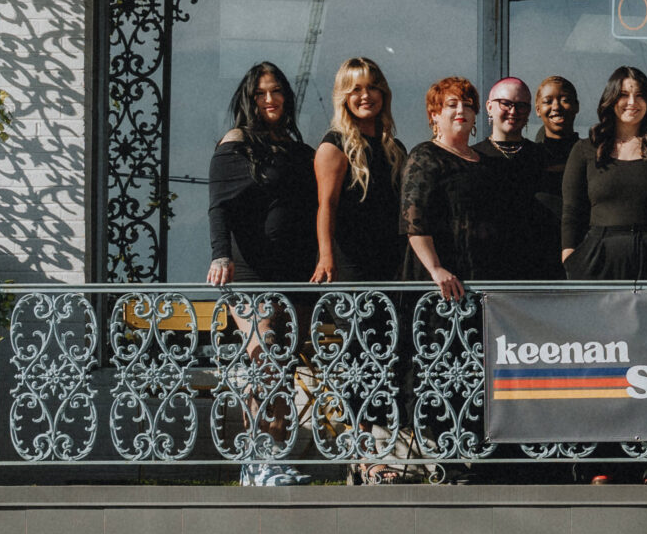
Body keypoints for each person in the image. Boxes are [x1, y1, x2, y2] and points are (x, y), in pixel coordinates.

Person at [205, 62, 317, 486]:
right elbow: (219, 207)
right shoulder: (236, 143)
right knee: (264, 359)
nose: (270, 99)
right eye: (260, 93)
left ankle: (277, 457)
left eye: (276, 91)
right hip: (252, 272)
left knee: (282, 367)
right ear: (249, 99)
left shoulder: (298, 151)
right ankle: (256, 460)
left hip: (296, 273)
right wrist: (220, 256)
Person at [561, 65, 647, 280]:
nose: (632, 102)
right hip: (598, 257)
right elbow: (572, 211)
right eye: (624, 95)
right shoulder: (585, 149)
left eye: (640, 95)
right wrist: (569, 257)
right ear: (611, 99)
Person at [311, 57, 408, 286]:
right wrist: (326, 257)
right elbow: (327, 205)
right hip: (348, 264)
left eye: (372, 87)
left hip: (390, 263)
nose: (366, 95)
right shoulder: (334, 145)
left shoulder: (396, 149)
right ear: (344, 97)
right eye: (356, 89)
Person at [401, 77, 497, 298]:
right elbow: (414, 222)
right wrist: (435, 268)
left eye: (468, 105)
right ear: (435, 115)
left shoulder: (484, 162)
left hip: (479, 280)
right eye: (452, 105)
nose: (461, 110)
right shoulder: (425, 156)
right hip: (440, 284)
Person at [476, 77, 563, 279]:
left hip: (538, 269)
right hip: (487, 270)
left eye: (521, 106)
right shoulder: (473, 158)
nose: (513, 111)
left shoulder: (545, 158)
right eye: (505, 103)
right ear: (489, 107)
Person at [530, 75, 580, 264]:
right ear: (537, 110)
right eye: (547, 101)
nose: (556, 107)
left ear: (576, 106)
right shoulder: (529, 157)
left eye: (565, 100)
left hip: (582, 252)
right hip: (538, 256)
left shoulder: (591, 154)